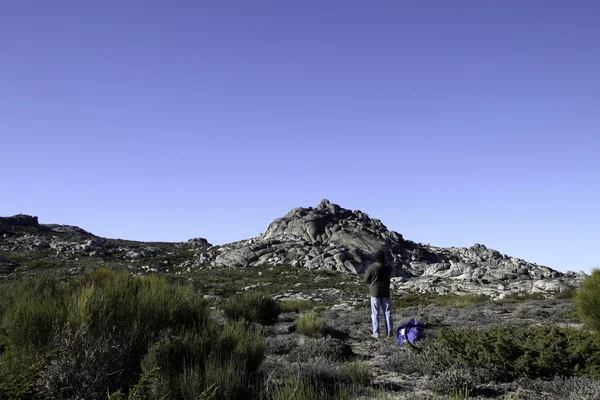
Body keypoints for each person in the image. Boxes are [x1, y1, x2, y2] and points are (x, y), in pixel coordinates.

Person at [363, 250, 393, 338]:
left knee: (375, 313)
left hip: (374, 292)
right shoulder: (389, 267)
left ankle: (376, 333)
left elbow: (365, 280)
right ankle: (389, 333)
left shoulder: (372, 267)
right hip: (385, 292)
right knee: (387, 312)